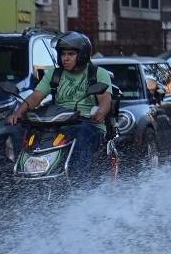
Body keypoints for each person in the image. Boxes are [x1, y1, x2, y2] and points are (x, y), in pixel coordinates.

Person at [6, 32, 112, 178]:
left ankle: (80, 185)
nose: (65, 58)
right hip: (58, 123)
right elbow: (36, 96)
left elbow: (105, 100)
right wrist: (18, 113)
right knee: (22, 131)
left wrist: (100, 112)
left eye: (71, 54)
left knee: (81, 135)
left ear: (82, 55)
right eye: (63, 54)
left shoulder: (98, 74)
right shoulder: (54, 74)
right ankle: (23, 175)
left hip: (88, 123)